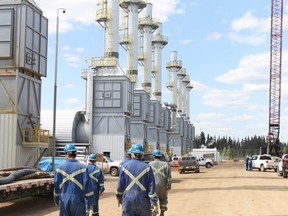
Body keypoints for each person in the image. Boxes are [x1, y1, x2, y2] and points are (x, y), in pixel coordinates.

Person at [116, 144, 158, 216]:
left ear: (132, 154)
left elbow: (120, 186)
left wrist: (119, 197)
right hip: (143, 200)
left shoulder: (125, 167)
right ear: (142, 155)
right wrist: (153, 201)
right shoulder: (147, 167)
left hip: (128, 199)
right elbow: (151, 186)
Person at [54, 144, 95, 216]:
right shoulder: (83, 168)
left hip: (64, 200)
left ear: (66, 153)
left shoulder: (59, 168)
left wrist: (56, 199)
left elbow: (56, 187)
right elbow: (88, 187)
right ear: (75, 154)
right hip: (78, 200)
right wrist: (91, 201)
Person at [149, 149, 172, 216]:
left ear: (153, 156)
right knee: (163, 199)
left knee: (153, 199)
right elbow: (169, 176)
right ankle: (162, 213)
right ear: (160, 156)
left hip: (153, 186)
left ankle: (154, 213)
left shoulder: (149, 165)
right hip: (163, 185)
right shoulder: (166, 164)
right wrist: (169, 185)